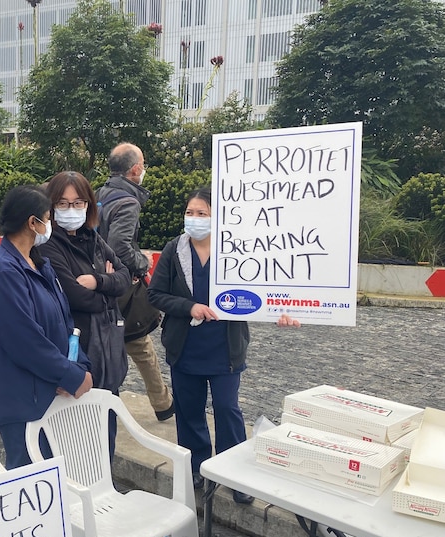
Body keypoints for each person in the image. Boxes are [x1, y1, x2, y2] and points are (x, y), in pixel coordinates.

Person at [148, 187, 299, 504]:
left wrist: (283, 314)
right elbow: (156, 294)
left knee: (228, 410)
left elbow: (265, 293)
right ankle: (197, 468)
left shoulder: (239, 250)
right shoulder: (175, 250)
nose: (194, 219)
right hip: (185, 346)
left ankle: (236, 476)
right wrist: (189, 307)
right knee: (189, 413)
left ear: (219, 217)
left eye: (202, 213)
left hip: (225, 348)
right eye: (190, 212)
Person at [0, 185, 93, 469]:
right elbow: (25, 343)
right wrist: (71, 376)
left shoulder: (38, 263)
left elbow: (64, 322)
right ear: (32, 223)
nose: (50, 224)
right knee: (31, 484)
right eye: (47, 218)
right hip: (24, 400)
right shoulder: (2, 274)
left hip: (51, 390)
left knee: (57, 479)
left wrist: (78, 366)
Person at [37, 171, 129, 459]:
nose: (71, 211)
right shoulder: (49, 245)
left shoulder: (94, 238)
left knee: (104, 434)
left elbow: (125, 277)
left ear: (89, 205)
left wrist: (99, 281)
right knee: (72, 439)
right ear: (50, 207)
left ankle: (105, 485)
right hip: (75, 351)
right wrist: (107, 291)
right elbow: (74, 296)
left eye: (78, 203)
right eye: (62, 204)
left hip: (107, 350)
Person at [96, 142, 175, 422]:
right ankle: (162, 403)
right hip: (121, 286)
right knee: (138, 341)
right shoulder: (128, 202)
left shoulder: (99, 195)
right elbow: (119, 246)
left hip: (99, 283)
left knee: (117, 341)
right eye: (143, 164)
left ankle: (158, 401)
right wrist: (143, 262)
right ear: (136, 169)